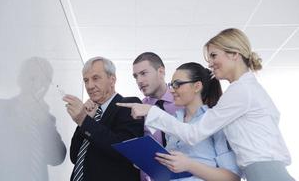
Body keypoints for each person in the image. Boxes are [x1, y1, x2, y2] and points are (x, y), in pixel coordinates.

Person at [117, 28, 295, 181]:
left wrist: (150, 111)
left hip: (266, 172)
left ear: (234, 54)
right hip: (260, 172)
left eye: (214, 55)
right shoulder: (242, 90)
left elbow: (194, 134)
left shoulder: (241, 91)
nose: (210, 63)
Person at [63, 56, 144, 181]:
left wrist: (84, 121)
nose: (89, 86)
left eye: (96, 78)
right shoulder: (90, 113)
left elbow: (124, 150)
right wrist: (84, 122)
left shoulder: (129, 104)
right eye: (86, 80)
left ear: (112, 80)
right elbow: (75, 157)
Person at [0, 57, 66, 181]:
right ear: (20, 79)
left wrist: (44, 122)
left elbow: (56, 159)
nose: (38, 84)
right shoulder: (2, 109)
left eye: (45, 80)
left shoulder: (47, 119)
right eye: (33, 77)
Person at [133, 52, 181, 181]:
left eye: (143, 73)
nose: (139, 81)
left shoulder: (183, 101)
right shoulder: (139, 108)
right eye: (135, 76)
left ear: (161, 71)